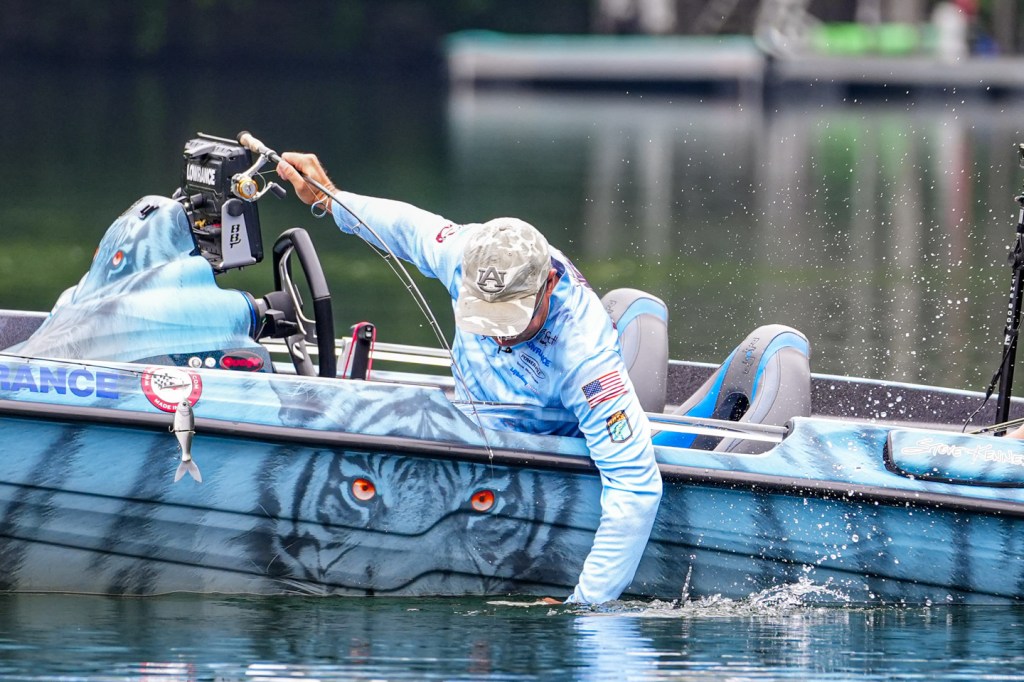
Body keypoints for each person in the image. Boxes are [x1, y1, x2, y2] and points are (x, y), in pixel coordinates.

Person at [275, 152, 663, 605]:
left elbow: (636, 487)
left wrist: (585, 606)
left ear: (549, 286)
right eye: (486, 316)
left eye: (510, 319)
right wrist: (328, 198)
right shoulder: (466, 254)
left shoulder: (587, 359)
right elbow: (403, 227)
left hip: (539, 466)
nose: (499, 336)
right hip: (472, 435)